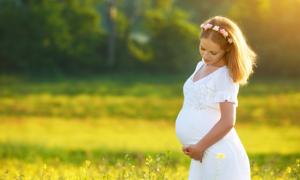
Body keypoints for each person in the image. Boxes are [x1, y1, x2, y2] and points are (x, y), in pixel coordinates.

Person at [175, 16, 257, 179]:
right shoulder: (201, 65)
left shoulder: (225, 76)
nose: (206, 55)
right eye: (202, 48)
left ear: (226, 49)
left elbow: (228, 121)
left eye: (213, 52)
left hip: (219, 154)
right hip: (202, 155)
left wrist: (200, 147)